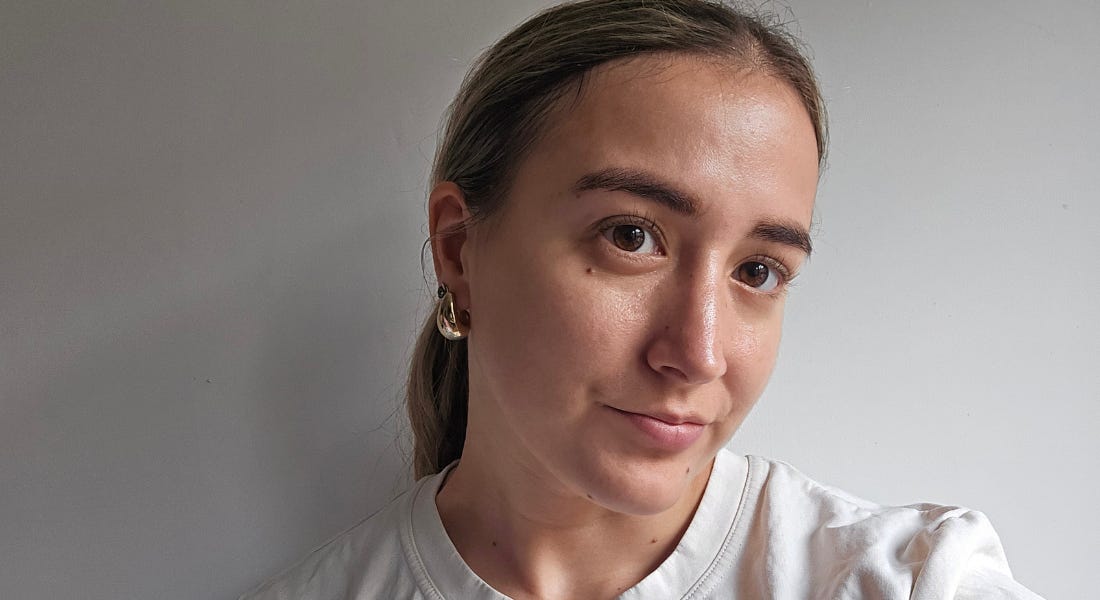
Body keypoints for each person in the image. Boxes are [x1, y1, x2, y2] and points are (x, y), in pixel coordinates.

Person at [241, 1, 1043, 598]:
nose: (698, 352)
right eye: (631, 236)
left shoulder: (907, 582)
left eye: (757, 271)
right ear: (460, 248)